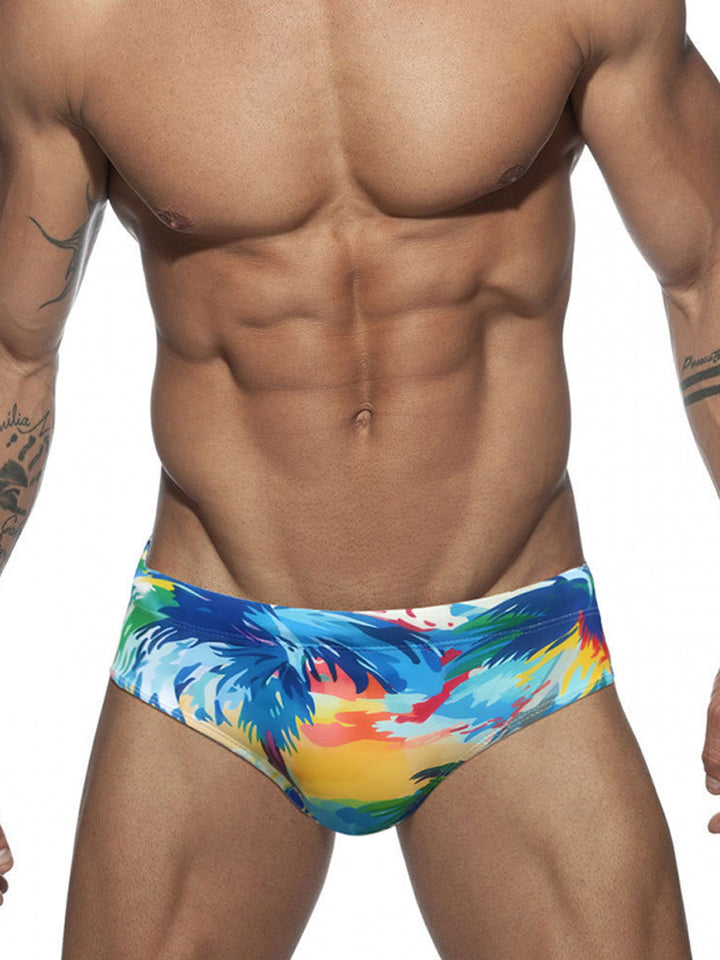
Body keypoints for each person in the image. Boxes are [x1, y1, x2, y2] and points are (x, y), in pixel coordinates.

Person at [0, 0, 718, 953]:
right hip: (219, 654)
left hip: (508, 646)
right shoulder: (75, 19)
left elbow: (706, 273)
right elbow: (14, 357)